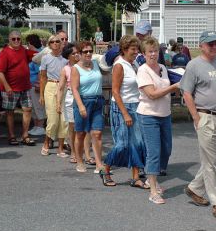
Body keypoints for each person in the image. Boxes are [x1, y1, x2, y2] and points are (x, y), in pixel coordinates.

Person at [180, 31, 216, 218]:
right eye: (210, 44)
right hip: (205, 116)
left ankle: (194, 188)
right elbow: (186, 93)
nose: (215, 46)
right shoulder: (193, 66)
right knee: (210, 162)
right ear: (201, 45)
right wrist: (196, 117)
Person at [137, 36, 179, 204]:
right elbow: (152, 95)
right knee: (153, 153)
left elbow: (168, 90)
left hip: (165, 114)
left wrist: (179, 90)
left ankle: (150, 178)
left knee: (166, 150)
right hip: (148, 115)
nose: (153, 54)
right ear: (144, 54)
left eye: (155, 51)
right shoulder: (143, 70)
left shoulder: (162, 67)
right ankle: (153, 191)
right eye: (150, 52)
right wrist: (174, 87)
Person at [103, 35, 148, 188]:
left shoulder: (134, 63)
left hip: (136, 105)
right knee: (122, 144)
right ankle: (105, 169)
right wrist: (125, 113)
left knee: (138, 143)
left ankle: (136, 178)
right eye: (133, 49)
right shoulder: (119, 65)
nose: (136, 52)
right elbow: (115, 92)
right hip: (122, 107)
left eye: (137, 49)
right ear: (124, 49)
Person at [0, 30, 36, 146]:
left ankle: (25, 135)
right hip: (10, 88)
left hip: (25, 86)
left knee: (28, 109)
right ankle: (12, 136)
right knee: (10, 112)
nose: (16, 41)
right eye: (13, 39)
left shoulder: (24, 50)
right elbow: (0, 72)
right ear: (9, 40)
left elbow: (37, 55)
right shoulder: (5, 52)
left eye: (18, 38)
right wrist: (7, 87)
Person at [71, 41, 105, 173]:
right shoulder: (76, 68)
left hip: (97, 101)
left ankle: (99, 163)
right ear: (79, 54)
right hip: (83, 101)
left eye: (90, 51)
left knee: (97, 133)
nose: (89, 54)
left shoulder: (96, 64)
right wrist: (80, 106)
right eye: (85, 52)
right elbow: (74, 88)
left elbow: (107, 67)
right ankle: (79, 161)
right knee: (80, 133)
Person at [39, 35, 69, 157]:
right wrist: (41, 95)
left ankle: (60, 148)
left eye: (59, 41)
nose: (56, 43)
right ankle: (46, 143)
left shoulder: (65, 59)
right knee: (52, 119)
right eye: (53, 41)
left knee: (64, 120)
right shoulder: (45, 58)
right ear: (49, 44)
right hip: (51, 86)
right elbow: (42, 77)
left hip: (64, 88)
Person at [56, 43, 81, 163]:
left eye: (77, 52)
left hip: (83, 96)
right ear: (68, 56)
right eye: (73, 53)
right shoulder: (65, 69)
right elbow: (60, 87)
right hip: (70, 97)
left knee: (82, 126)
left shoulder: (85, 65)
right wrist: (58, 104)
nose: (77, 55)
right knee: (72, 126)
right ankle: (73, 151)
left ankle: (82, 151)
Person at [26, 34, 46, 136]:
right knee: (33, 106)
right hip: (30, 84)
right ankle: (36, 126)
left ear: (30, 43)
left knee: (38, 107)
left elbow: (40, 71)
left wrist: (39, 84)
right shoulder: (34, 53)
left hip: (35, 84)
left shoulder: (38, 54)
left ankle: (40, 126)